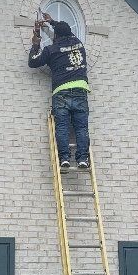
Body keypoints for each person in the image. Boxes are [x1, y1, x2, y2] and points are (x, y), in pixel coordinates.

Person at [29, 12, 90, 170]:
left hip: (61, 92)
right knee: (81, 128)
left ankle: (64, 158)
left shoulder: (52, 50)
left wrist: (35, 44)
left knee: (62, 127)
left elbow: (33, 62)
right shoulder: (79, 43)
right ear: (70, 32)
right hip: (80, 90)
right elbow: (66, 30)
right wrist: (53, 22)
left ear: (56, 36)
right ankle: (83, 158)